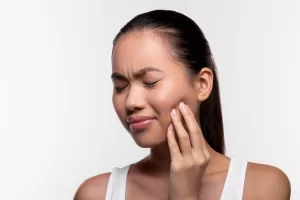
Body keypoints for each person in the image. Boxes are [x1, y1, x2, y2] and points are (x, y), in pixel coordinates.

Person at [74, 10, 291, 200]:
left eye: (150, 82)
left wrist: (185, 195)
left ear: (202, 84)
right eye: (120, 86)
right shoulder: (96, 194)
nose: (131, 102)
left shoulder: (261, 187)